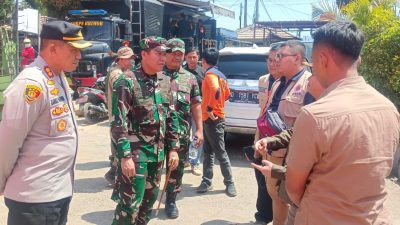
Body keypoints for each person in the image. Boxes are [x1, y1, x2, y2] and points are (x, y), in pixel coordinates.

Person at [285, 21, 400, 225]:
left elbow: (294, 188)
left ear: (322, 59)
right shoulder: (389, 108)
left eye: (312, 62)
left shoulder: (315, 115)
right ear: (359, 59)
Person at [0, 20, 91, 225]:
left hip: (56, 194)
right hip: (34, 200)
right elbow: (7, 142)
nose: (79, 56)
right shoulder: (31, 83)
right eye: (73, 50)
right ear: (52, 48)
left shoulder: (57, 77)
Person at [110, 36, 180, 225]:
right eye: (158, 53)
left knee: (148, 204)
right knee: (130, 205)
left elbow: (171, 116)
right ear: (143, 54)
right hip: (135, 155)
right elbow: (118, 123)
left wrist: (173, 148)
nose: (163, 58)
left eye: (165, 54)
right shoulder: (127, 82)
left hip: (156, 156)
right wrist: (125, 156)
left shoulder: (166, 81)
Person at [252, 74, 325, 225]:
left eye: (314, 74)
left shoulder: (326, 114)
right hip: (298, 195)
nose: (309, 79)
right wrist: (269, 141)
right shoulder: (311, 104)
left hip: (316, 202)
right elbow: (295, 131)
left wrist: (275, 170)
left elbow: (315, 173)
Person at [264, 40, 312, 225]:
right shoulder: (277, 83)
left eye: (281, 56)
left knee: (292, 198)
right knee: (275, 195)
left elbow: (308, 126)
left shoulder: (309, 83)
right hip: (272, 149)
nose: (276, 60)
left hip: (292, 154)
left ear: (297, 58)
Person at [163, 38, 203, 219]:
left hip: (180, 133)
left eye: (181, 54)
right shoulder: (154, 74)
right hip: (154, 133)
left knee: (176, 168)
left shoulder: (190, 78)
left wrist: (199, 129)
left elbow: (196, 105)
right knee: (151, 168)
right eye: (174, 53)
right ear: (165, 53)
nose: (177, 57)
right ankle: (146, 197)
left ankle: (171, 201)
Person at [196, 48, 236, 197]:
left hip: (213, 118)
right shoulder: (221, 74)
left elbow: (216, 90)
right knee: (208, 151)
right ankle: (207, 180)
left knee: (219, 152)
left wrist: (210, 108)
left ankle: (229, 182)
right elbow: (227, 95)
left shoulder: (210, 75)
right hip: (211, 118)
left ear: (203, 61)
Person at [252, 44, 281, 224]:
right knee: (261, 177)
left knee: (279, 183)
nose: (272, 64)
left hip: (281, 141)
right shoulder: (263, 80)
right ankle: (262, 216)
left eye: (276, 60)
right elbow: (262, 111)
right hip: (261, 136)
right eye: (269, 60)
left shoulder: (295, 82)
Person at [104, 46, 135, 184]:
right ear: (121, 60)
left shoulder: (121, 71)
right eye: (129, 59)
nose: (131, 62)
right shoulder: (117, 74)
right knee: (119, 149)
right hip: (118, 118)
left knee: (118, 149)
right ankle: (114, 176)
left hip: (119, 116)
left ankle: (115, 176)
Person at [183, 47, 204, 176]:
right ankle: (185, 159)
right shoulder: (181, 72)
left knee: (197, 136)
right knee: (183, 136)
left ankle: (195, 162)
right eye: (189, 57)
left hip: (197, 110)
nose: (192, 60)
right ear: (185, 57)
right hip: (183, 110)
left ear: (198, 58)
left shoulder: (203, 73)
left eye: (194, 57)